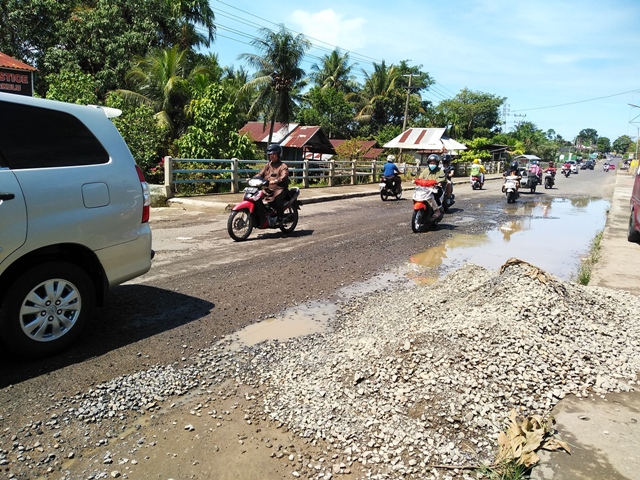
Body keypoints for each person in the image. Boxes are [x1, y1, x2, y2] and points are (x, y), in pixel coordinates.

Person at [256, 143, 289, 223]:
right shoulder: (267, 165)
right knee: (256, 197)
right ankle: (262, 215)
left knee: (277, 197)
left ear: (278, 154)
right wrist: (253, 178)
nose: (272, 156)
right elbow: (260, 174)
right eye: (270, 154)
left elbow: (284, 175)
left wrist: (276, 180)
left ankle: (280, 218)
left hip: (279, 189)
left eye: (274, 154)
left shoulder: (283, 166)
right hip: (267, 188)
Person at [419, 154, 447, 219]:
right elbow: (420, 178)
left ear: (437, 163)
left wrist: (439, 183)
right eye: (431, 163)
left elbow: (442, 179)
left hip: (436, 188)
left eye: (434, 163)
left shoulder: (440, 171)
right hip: (426, 189)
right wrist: (416, 181)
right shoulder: (426, 171)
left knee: (434, 195)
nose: (432, 164)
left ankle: (437, 210)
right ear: (428, 163)